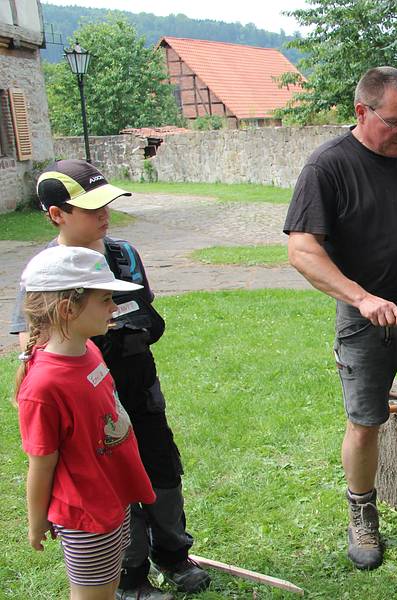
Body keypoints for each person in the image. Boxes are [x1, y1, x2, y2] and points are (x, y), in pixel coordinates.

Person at [283, 66, 397, 570]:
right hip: (365, 324)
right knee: (366, 422)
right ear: (362, 112)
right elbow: (302, 250)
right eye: (394, 123)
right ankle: (362, 515)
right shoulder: (328, 167)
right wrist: (362, 298)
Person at [10, 160, 210, 600]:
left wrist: (133, 325)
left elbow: (148, 316)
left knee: (161, 472)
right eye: (91, 207)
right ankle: (131, 576)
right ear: (57, 214)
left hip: (136, 389)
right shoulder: (47, 275)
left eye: (108, 204)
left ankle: (174, 555)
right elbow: (35, 346)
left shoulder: (123, 255)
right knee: (111, 484)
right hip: (87, 406)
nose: (105, 214)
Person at [14, 245, 156, 600]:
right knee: (93, 595)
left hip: (113, 494)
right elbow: (41, 464)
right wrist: (36, 522)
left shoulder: (89, 349)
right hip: (86, 515)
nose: (114, 308)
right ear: (67, 309)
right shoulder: (44, 386)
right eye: (106, 299)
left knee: (107, 586)